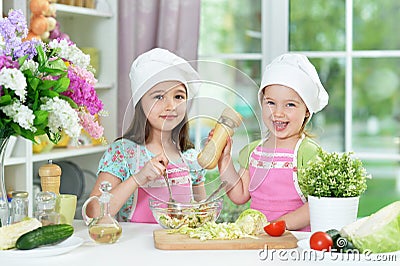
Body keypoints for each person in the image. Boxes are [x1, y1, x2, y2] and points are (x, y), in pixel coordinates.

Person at [86, 48, 206, 223]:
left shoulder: (191, 158)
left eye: (179, 96)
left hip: (180, 248)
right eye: (158, 97)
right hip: (134, 249)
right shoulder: (123, 153)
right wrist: (139, 177)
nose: (171, 105)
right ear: (140, 103)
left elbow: (203, 218)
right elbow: (93, 213)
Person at [217, 53, 329, 231]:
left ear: (307, 110)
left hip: (296, 242)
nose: (278, 113)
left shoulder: (308, 153)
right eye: (271, 103)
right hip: (259, 239)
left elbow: (315, 207)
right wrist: (224, 160)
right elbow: (240, 195)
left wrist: (275, 226)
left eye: (290, 105)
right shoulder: (253, 152)